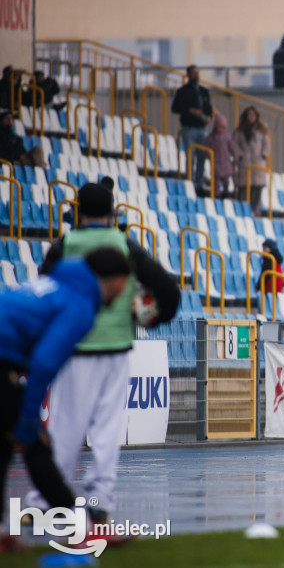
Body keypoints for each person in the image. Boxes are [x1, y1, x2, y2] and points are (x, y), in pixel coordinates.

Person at [29, 182, 180, 528]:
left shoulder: (64, 246)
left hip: (74, 348)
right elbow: (168, 290)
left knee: (65, 430)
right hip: (115, 349)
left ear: (78, 209)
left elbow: (43, 289)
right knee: (107, 434)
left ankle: (41, 503)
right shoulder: (123, 245)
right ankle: (98, 503)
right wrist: (154, 318)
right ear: (113, 210)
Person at [1, 247, 133, 553]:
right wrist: (30, 418)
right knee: (34, 443)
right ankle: (82, 530)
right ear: (113, 281)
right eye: (125, 282)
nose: (126, 291)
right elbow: (44, 364)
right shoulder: (80, 304)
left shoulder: (60, 284)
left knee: (4, 447)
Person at [171, 65, 213, 191]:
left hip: (201, 128)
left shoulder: (203, 92)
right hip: (189, 127)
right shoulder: (183, 91)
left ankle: (199, 182)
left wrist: (208, 117)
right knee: (191, 155)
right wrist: (190, 110)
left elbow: (208, 109)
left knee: (201, 156)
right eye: (193, 73)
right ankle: (190, 181)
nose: (196, 75)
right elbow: (175, 108)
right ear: (188, 75)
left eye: (197, 73)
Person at [233, 106, 271, 216]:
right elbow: (235, 145)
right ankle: (242, 213)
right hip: (245, 164)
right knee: (244, 190)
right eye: (249, 115)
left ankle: (256, 212)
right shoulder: (239, 131)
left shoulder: (262, 131)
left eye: (253, 115)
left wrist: (263, 155)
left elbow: (267, 145)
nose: (251, 117)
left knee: (257, 190)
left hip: (258, 164)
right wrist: (240, 156)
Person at [205, 112, 239, 200]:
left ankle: (225, 194)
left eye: (223, 127)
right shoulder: (211, 138)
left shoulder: (227, 137)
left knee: (226, 181)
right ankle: (216, 195)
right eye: (220, 127)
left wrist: (236, 158)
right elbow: (206, 149)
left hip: (225, 163)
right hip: (216, 162)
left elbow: (233, 148)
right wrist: (209, 157)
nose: (221, 129)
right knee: (216, 181)